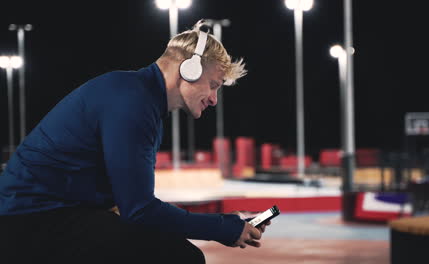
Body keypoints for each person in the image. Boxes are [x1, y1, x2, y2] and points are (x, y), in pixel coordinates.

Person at [0, 20, 269, 264]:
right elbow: (139, 210)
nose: (213, 99)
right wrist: (223, 227)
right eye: (213, 85)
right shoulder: (133, 104)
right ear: (189, 68)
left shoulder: (137, 97)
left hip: (42, 216)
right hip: (30, 222)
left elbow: (129, 205)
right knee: (181, 257)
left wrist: (230, 223)